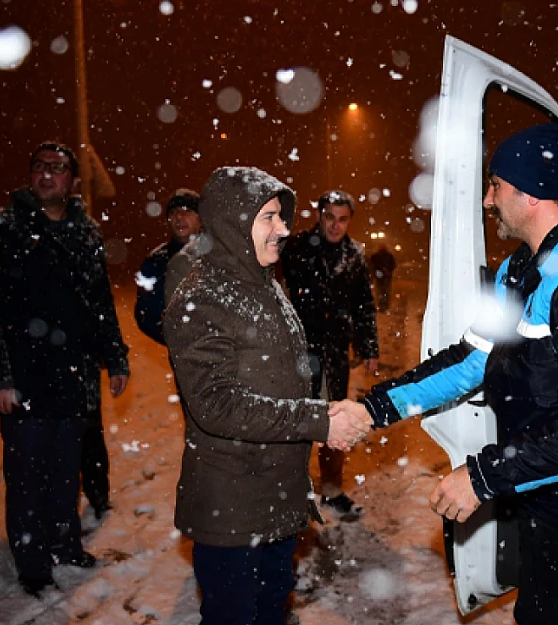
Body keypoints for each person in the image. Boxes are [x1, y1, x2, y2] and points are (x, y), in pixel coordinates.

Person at [330, 123, 558, 625]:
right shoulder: (522, 269)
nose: (487, 199)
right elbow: (470, 361)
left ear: (532, 194)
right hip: (547, 489)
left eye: (496, 185)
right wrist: (372, 409)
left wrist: (482, 477)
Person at [163, 166, 370, 625]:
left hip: (276, 499)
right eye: (269, 218)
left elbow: (285, 371)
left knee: (273, 606)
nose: (283, 229)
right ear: (234, 220)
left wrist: (324, 412)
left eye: (283, 217)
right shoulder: (202, 296)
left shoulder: (265, 283)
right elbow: (217, 404)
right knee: (236, 614)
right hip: (233, 507)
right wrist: (317, 421)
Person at [0, 142, 130, 596]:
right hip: (24, 377)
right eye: (39, 167)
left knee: (65, 469)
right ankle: (32, 558)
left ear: (73, 181)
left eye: (57, 169)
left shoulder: (87, 232)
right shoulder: (3, 228)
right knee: (26, 474)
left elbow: (99, 304)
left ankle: (64, 541)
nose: (46, 175)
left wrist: (114, 357)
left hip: (73, 375)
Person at [280, 190, 379, 520]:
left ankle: (332, 491)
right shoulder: (295, 248)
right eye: (329, 217)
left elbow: (363, 303)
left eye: (342, 219)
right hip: (297, 352)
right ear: (319, 216)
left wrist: (368, 348)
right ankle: (291, 492)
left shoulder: (353, 254)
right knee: (296, 422)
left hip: (334, 354)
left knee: (334, 421)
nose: (335, 226)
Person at [135, 188, 203, 345]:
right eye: (173, 212)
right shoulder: (156, 261)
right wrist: (176, 338)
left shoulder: (219, 255)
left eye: (187, 211)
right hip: (183, 357)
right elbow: (145, 313)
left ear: (200, 218)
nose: (179, 217)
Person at [368, 244, 397, 312]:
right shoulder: (388, 256)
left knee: (382, 291)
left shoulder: (377, 256)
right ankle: (384, 305)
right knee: (384, 291)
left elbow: (372, 265)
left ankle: (383, 305)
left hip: (381, 275)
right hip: (384, 275)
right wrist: (388, 270)